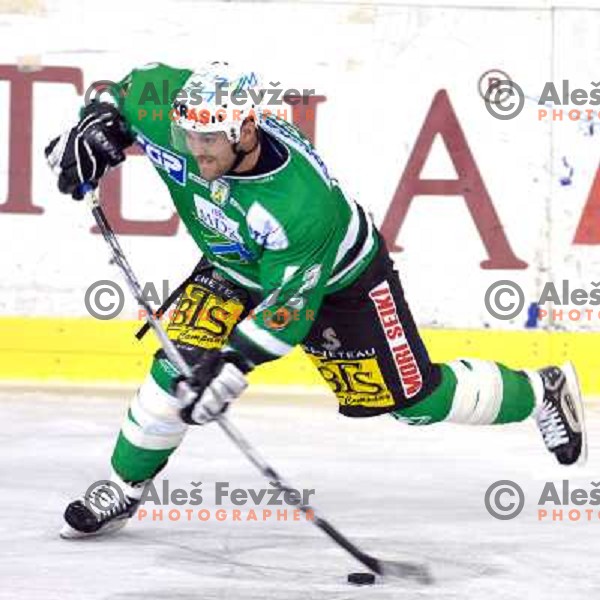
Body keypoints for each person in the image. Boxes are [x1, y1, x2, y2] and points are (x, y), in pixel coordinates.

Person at [45, 61, 587, 539]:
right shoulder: (176, 110)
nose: (194, 149)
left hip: (340, 282)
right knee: (175, 369)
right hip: (234, 267)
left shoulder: (302, 207)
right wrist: (93, 124)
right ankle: (123, 485)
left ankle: (543, 389)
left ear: (247, 130)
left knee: (414, 402)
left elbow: (287, 314)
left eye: (209, 141)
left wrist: (230, 368)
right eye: (187, 135)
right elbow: (114, 91)